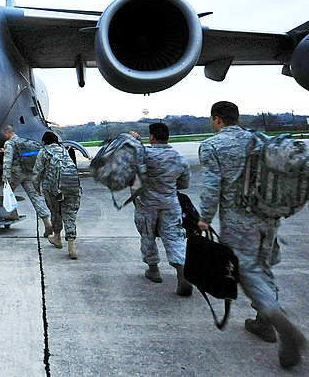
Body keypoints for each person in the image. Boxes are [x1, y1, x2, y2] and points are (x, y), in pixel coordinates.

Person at [198, 100, 306, 369]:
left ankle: (275, 317)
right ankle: (263, 322)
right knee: (263, 266)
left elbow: (212, 187)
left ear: (217, 120)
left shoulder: (213, 146)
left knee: (247, 273)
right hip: (268, 216)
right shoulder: (260, 139)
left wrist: (205, 218)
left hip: (239, 220)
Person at [129, 124, 192, 296]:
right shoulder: (180, 158)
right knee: (174, 236)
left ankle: (154, 270)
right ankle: (181, 271)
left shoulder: (144, 156)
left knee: (147, 235)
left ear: (151, 137)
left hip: (146, 204)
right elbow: (184, 184)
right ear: (167, 137)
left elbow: (133, 180)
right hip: (170, 203)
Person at [32, 131, 81, 259]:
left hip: (52, 188)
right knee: (69, 214)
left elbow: (37, 173)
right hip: (72, 186)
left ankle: (57, 238)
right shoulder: (65, 150)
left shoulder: (44, 152)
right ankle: (72, 247)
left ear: (44, 142)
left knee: (55, 212)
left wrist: (36, 188)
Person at [1, 125, 51, 230]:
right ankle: (46, 221)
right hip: (28, 172)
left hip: (16, 174)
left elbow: (7, 161)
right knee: (35, 196)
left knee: (8, 192)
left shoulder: (9, 143)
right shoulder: (22, 141)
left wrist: (5, 176)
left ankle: (13, 213)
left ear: (7, 133)